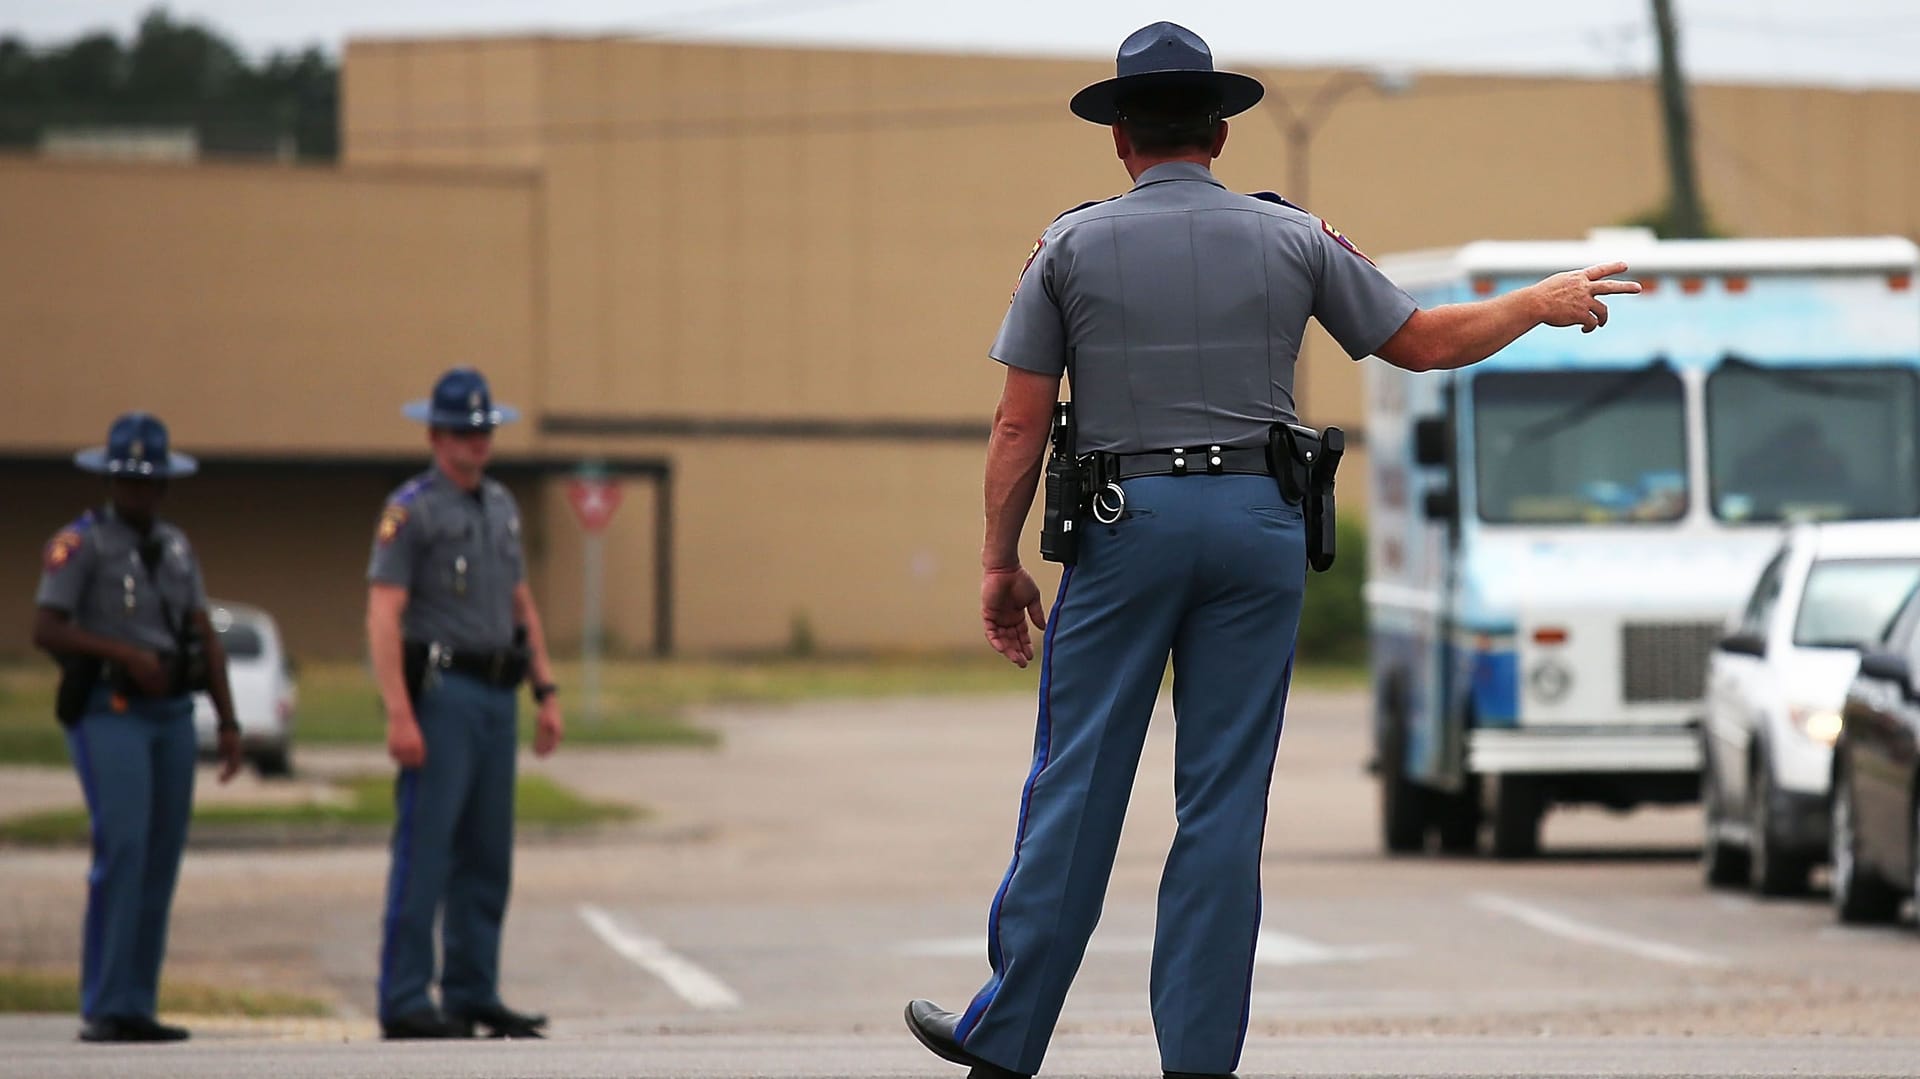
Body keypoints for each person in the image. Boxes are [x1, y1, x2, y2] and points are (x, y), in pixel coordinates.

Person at [904, 21, 1641, 1079]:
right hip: (1259, 527)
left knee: (1079, 780)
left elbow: (1020, 425)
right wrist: (1537, 300)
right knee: (1223, 799)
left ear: (1121, 141)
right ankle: (1199, 1058)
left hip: (1124, 527)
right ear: (1220, 132)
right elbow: (1424, 344)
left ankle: (1006, 1033)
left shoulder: (1069, 245)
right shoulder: (1293, 238)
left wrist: (997, 558)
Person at [31, 412, 244, 1044]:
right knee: (122, 845)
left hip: (172, 714)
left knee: (160, 855)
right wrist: (124, 656)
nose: (140, 493)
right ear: (110, 480)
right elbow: (46, 628)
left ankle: (137, 1001)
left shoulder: (177, 548)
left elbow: (203, 632)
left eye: (151, 482)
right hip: (110, 709)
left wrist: (228, 719)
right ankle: (104, 1002)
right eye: (129, 480)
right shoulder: (82, 544)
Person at [367, 367, 564, 1039]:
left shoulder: (501, 506)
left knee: (488, 851)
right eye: (462, 430)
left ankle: (471, 988)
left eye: (483, 430)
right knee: (427, 846)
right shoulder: (412, 509)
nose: (475, 442)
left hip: (495, 692)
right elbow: (383, 613)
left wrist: (546, 688)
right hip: (442, 692)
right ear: (434, 433)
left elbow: (520, 602)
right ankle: (403, 996)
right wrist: (397, 708)